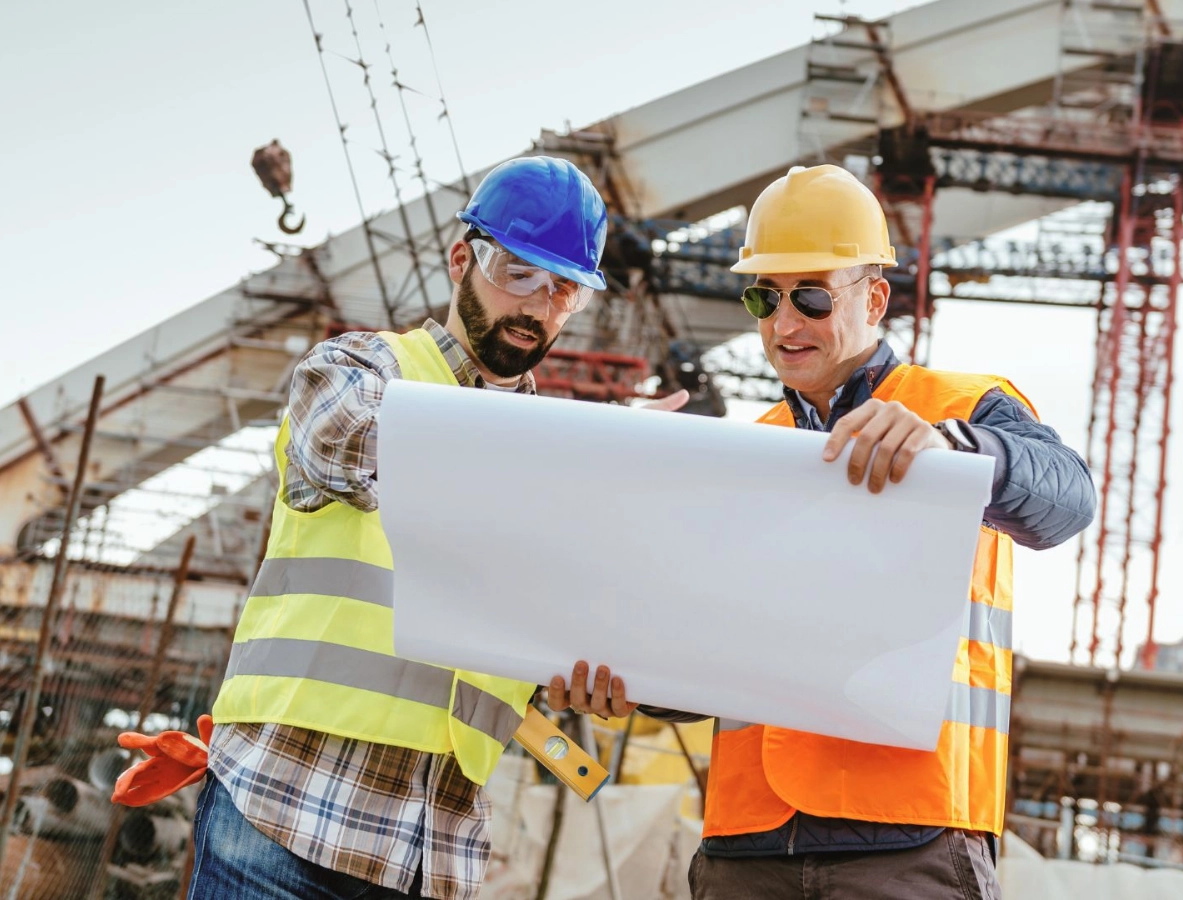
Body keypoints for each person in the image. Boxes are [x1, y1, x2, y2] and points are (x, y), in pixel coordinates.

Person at [192, 156, 685, 900]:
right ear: (463, 259)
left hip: (432, 852)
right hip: (283, 815)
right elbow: (343, 442)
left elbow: (552, 629)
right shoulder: (359, 366)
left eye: (563, 290)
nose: (538, 307)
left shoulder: (563, 470)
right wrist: (588, 452)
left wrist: (603, 676)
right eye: (517, 274)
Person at [686, 164, 1096, 898]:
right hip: (748, 843)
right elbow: (713, 657)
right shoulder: (746, 450)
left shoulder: (964, 410)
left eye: (810, 297)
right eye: (764, 297)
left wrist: (956, 451)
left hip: (910, 837)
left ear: (874, 297)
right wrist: (627, 681)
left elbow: (1067, 499)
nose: (784, 325)